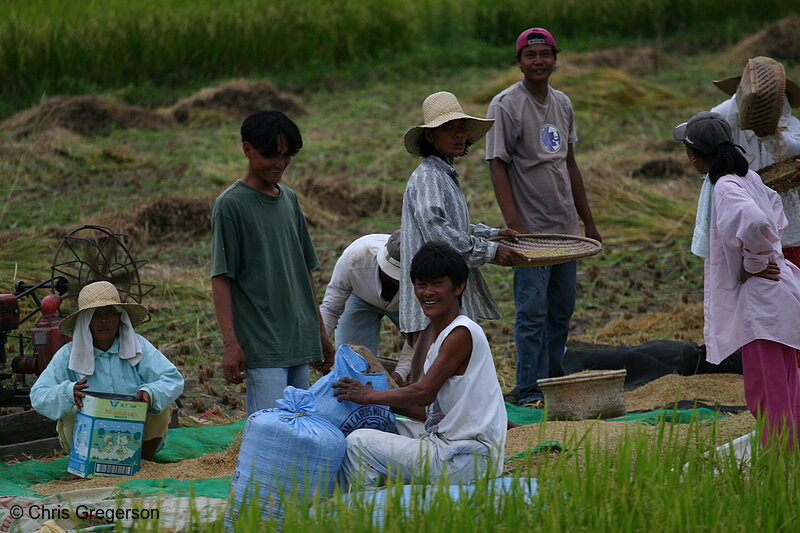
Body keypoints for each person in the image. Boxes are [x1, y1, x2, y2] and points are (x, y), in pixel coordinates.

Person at [485, 27, 601, 408]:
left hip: (565, 228)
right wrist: (514, 223)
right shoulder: (505, 105)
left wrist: (588, 220)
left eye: (545, 55)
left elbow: (569, 163)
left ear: (555, 59)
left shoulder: (562, 103)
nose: (538, 62)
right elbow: (497, 166)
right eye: (530, 56)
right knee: (531, 312)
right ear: (519, 62)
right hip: (531, 231)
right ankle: (529, 387)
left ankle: (553, 380)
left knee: (561, 308)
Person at [333, 242, 507, 489]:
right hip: (450, 445)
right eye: (421, 284)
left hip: (468, 459)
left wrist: (369, 394)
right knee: (381, 423)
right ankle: (374, 494)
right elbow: (429, 412)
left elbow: (423, 394)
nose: (428, 292)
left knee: (359, 442)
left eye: (438, 284)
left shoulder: (461, 333)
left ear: (459, 287)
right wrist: (374, 401)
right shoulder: (438, 335)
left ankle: (365, 506)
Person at [674, 111, 800, 449]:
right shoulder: (746, 178)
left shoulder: (726, 187)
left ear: (693, 156)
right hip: (778, 300)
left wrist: (756, 262)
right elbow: (774, 211)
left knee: (767, 390)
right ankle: (791, 453)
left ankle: (781, 459)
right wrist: (765, 255)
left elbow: (757, 221)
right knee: (785, 385)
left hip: (763, 307)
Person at [211, 109, 335, 415]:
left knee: (302, 424)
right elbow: (221, 278)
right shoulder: (231, 205)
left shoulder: (289, 199)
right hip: (263, 342)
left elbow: (304, 269)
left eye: (287, 155)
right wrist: (231, 344)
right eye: (271, 155)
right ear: (247, 149)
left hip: (297, 335)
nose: (280, 163)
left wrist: (319, 332)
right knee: (272, 430)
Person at [400, 91, 529, 382]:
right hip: (432, 299)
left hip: (443, 297)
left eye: (461, 128)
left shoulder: (443, 174)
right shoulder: (429, 177)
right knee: (433, 381)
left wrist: (494, 234)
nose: (458, 135)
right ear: (430, 137)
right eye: (448, 128)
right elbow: (438, 231)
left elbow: (454, 226)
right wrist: (491, 251)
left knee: (449, 378)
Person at [30, 281, 184, 461]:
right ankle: (84, 464)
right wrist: (68, 392)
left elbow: (172, 379)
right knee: (72, 411)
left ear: (120, 317)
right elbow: (38, 395)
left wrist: (150, 392)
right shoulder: (68, 355)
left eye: (110, 313)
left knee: (163, 405)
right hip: (90, 438)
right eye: (96, 314)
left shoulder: (138, 346)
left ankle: (144, 461)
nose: (104, 320)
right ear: (86, 321)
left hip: (134, 432)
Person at [707, 56, 800, 266]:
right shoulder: (724, 118)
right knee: (750, 272)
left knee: (790, 275)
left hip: (786, 212)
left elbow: (793, 148)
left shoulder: (790, 123)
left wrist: (769, 133)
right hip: (741, 210)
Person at [319, 230, 414, 385]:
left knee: (427, 359)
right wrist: (320, 345)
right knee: (351, 362)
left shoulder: (422, 278)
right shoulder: (355, 258)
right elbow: (330, 310)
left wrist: (399, 376)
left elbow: (418, 336)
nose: (398, 280)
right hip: (359, 297)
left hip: (408, 304)